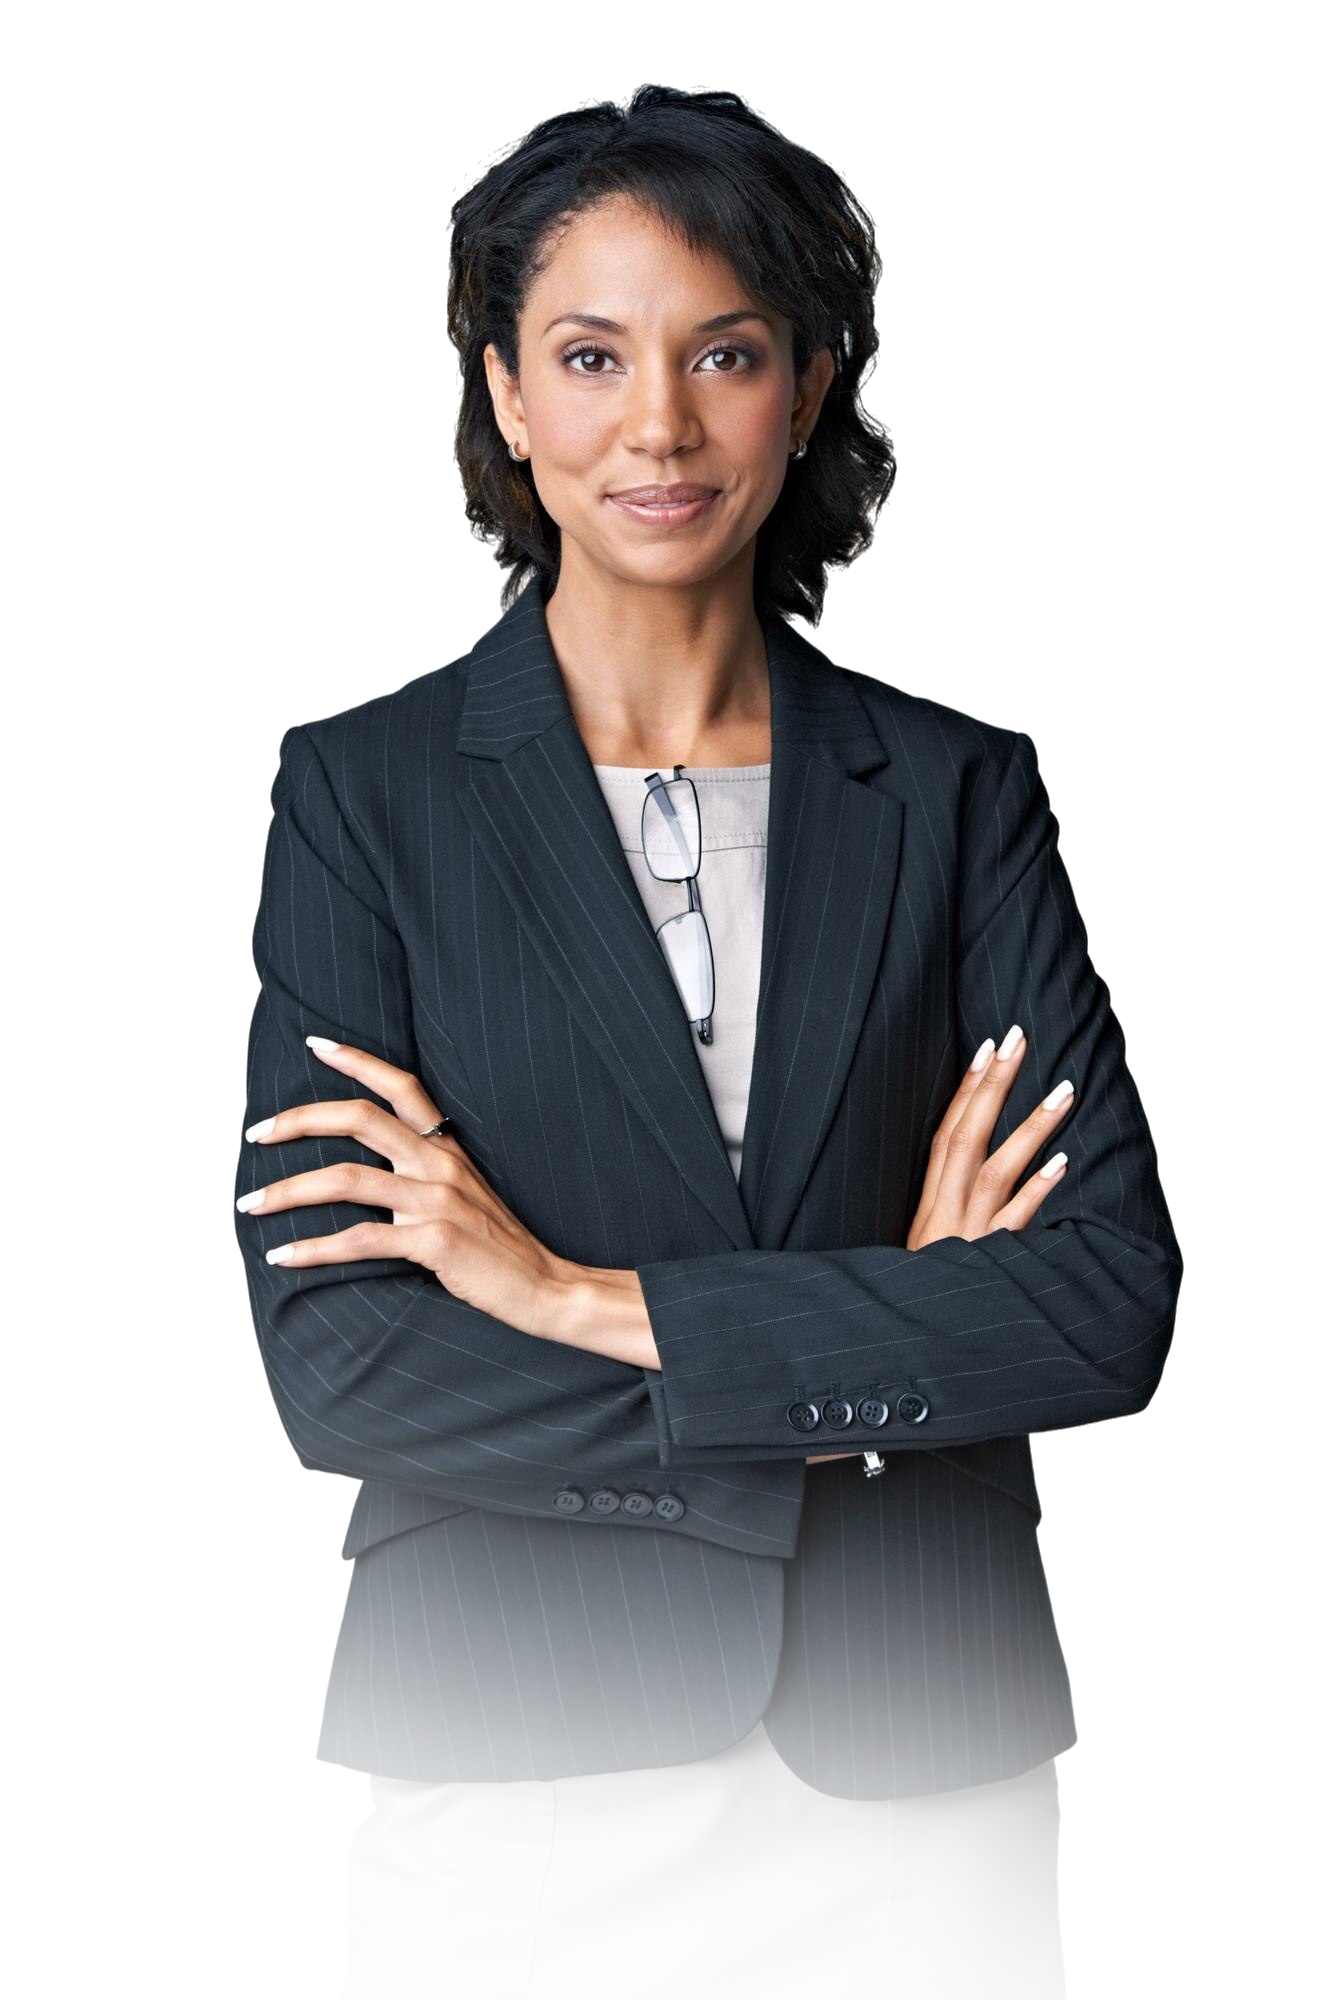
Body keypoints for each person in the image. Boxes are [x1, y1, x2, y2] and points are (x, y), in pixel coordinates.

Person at [234, 84, 1182, 1999]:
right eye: (590, 356)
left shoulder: (956, 787)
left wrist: (577, 1298)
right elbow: (347, 1378)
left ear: (806, 386)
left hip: (916, 1787)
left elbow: (1100, 1313)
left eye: (722, 354)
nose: (656, 426)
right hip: (512, 1775)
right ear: (504, 394)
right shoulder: (360, 792)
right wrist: (872, 1345)